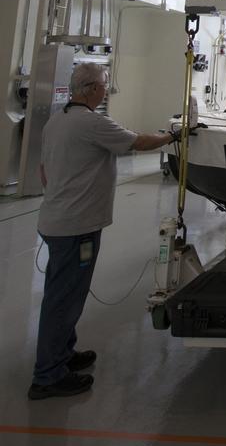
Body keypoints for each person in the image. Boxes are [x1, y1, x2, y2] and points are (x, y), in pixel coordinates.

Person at [30, 63, 180, 401]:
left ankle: (63, 355)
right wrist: (173, 136)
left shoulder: (58, 120)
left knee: (67, 294)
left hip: (57, 220)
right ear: (91, 89)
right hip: (75, 227)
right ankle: (47, 376)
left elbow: (43, 171)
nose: (106, 91)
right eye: (104, 86)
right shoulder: (93, 123)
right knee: (64, 298)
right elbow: (138, 142)